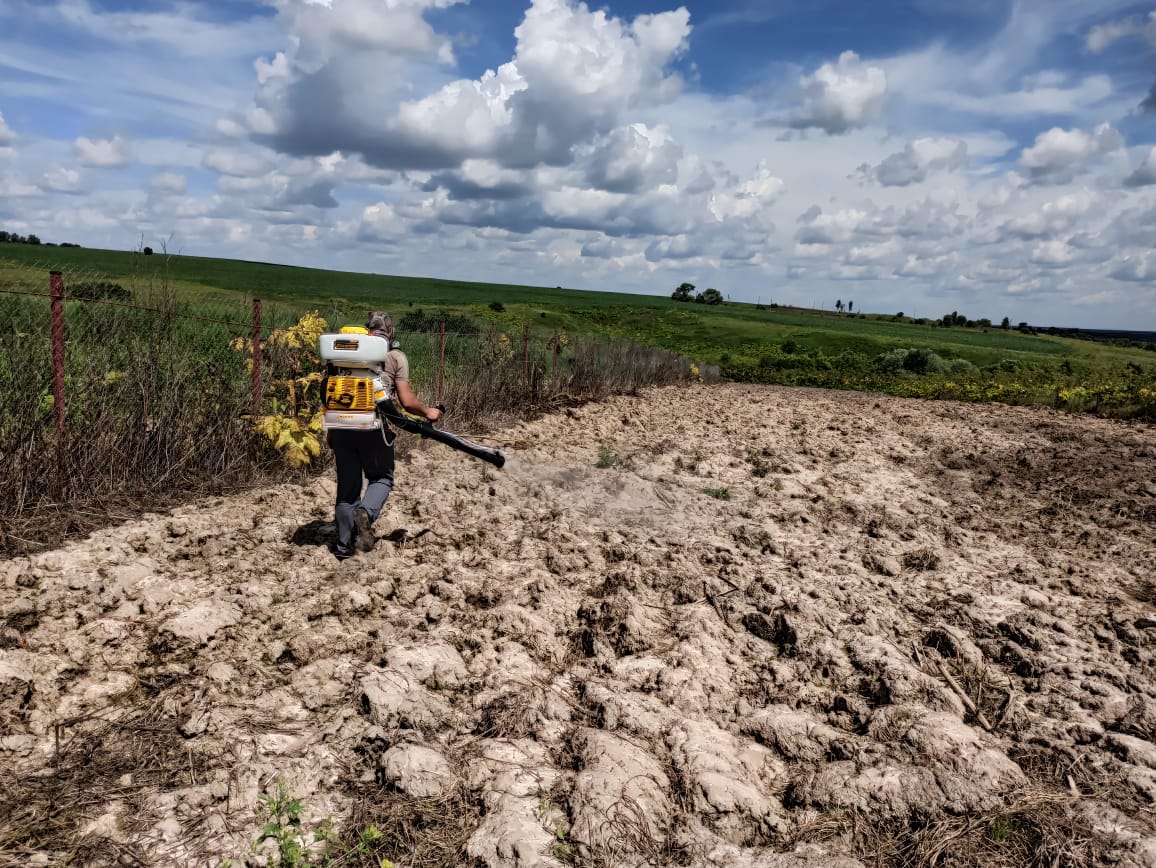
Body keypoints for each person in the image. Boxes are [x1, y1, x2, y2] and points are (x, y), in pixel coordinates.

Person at [328, 311, 441, 560]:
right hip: (374, 426)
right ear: (390, 332)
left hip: (340, 427)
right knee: (381, 477)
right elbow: (407, 401)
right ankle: (366, 513)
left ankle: (344, 547)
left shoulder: (342, 352)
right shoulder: (394, 356)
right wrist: (428, 413)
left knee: (347, 490)